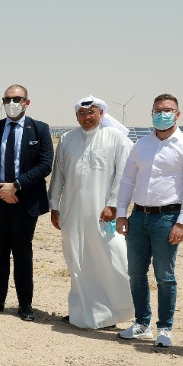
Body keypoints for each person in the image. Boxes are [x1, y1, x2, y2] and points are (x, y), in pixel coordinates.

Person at [116, 93, 183, 347]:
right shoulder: (141, 145)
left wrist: (182, 222)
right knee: (135, 273)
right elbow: (128, 180)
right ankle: (142, 324)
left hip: (168, 217)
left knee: (165, 276)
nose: (162, 114)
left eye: (168, 110)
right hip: (138, 216)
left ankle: (165, 328)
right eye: (157, 110)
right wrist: (122, 213)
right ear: (151, 113)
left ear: (178, 114)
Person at [48, 96, 134, 329]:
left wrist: (114, 205)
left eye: (92, 113)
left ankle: (114, 312)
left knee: (111, 258)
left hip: (103, 213)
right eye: (82, 114)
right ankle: (81, 310)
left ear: (101, 114)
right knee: (77, 259)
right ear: (77, 116)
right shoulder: (67, 139)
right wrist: (54, 205)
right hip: (72, 211)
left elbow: (124, 175)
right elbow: (59, 174)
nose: (87, 117)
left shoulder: (116, 139)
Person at [0, 84, 53, 322]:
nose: (11, 103)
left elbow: (45, 164)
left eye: (16, 99)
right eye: (7, 99)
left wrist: (16, 185)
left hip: (24, 201)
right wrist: (1, 187)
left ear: (27, 102)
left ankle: (25, 305)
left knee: (22, 254)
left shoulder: (39, 129)